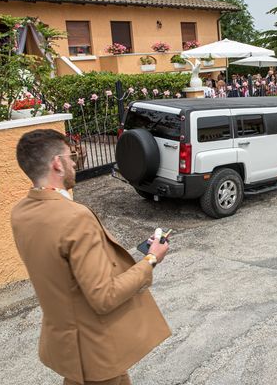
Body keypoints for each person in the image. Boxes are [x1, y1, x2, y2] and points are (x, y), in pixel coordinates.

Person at [11, 130, 171, 385]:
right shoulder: (74, 217)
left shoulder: (20, 213)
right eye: (71, 156)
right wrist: (151, 259)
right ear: (57, 164)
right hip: (97, 353)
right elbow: (104, 296)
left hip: (68, 349)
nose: (75, 162)